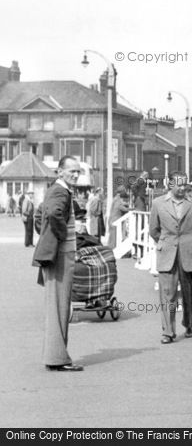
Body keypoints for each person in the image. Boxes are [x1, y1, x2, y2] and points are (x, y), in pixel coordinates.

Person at [32, 156, 83, 371]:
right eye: (71, 171)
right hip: (62, 255)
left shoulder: (56, 190)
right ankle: (57, 358)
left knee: (58, 306)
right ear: (60, 171)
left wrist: (47, 236)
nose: (75, 174)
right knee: (60, 307)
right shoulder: (61, 191)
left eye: (78, 171)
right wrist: (61, 236)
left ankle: (56, 356)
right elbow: (53, 213)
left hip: (57, 254)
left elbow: (38, 215)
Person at [149, 172, 192, 344]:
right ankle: (168, 331)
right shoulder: (158, 203)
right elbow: (154, 230)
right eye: (179, 185)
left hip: (190, 252)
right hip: (167, 253)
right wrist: (165, 242)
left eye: (185, 185)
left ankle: (189, 324)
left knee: (189, 293)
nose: (183, 188)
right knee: (167, 294)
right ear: (170, 185)